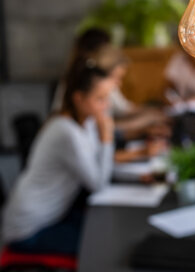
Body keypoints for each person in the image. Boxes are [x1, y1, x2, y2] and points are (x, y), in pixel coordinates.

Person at [2, 58, 115, 256]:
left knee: (108, 229)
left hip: (52, 216)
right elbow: (98, 184)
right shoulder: (66, 132)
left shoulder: (84, 123)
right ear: (79, 98)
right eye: (100, 99)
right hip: (28, 230)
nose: (106, 106)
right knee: (103, 244)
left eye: (107, 98)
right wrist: (107, 138)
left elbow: (97, 164)